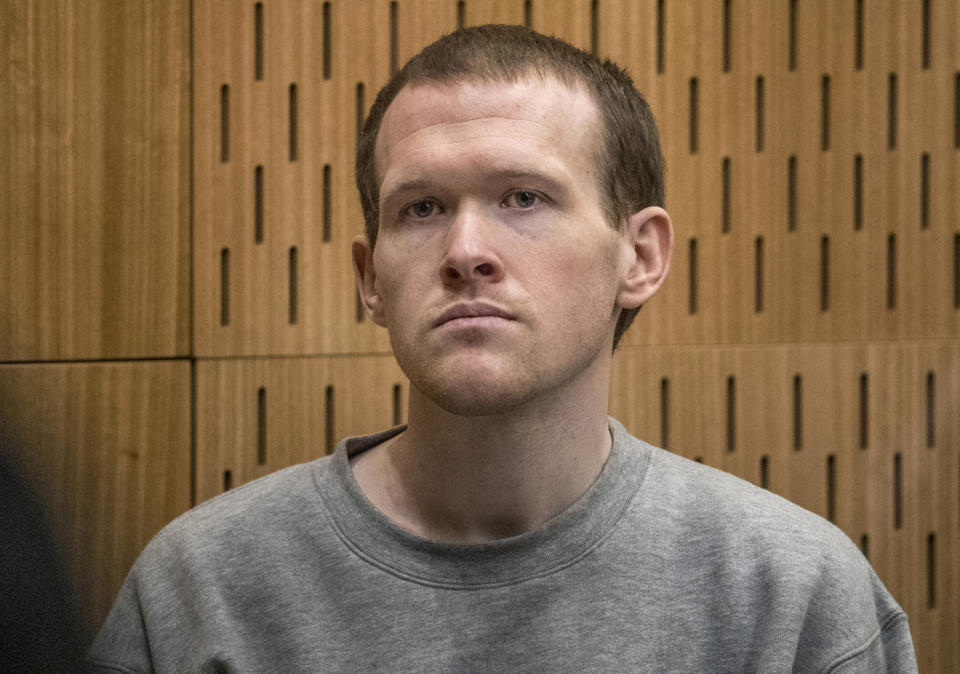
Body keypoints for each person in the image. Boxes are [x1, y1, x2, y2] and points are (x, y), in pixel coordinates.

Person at [88, 25, 917, 672]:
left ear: (641, 256)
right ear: (370, 278)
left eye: (524, 197)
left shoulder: (792, 594)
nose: (465, 250)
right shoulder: (201, 590)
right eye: (420, 208)